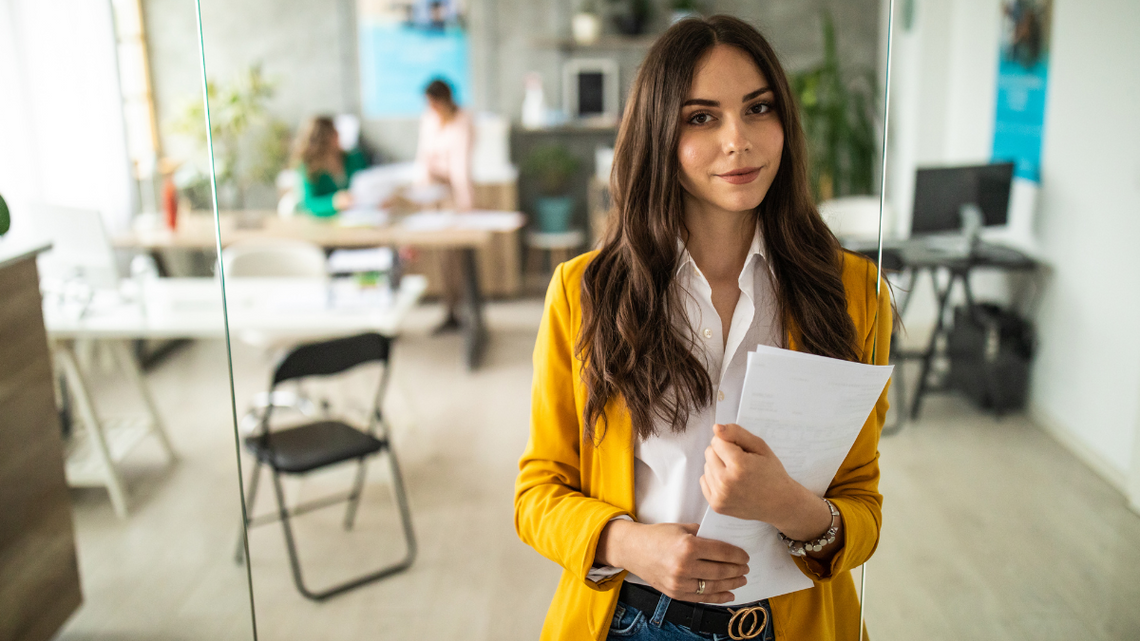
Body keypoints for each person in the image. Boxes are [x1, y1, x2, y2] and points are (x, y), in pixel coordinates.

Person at [514, 15, 891, 641]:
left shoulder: (852, 294)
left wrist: (789, 507)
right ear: (658, 134)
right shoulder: (585, 292)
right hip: (631, 618)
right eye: (701, 117)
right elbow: (537, 494)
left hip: (787, 624)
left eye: (758, 109)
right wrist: (629, 544)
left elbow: (863, 507)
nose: (738, 141)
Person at [413, 78, 475, 333]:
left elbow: (461, 167)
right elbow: (423, 157)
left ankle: (459, 310)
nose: (433, 108)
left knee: (455, 257)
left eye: (436, 103)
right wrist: (420, 194)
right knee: (440, 256)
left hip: (454, 193)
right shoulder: (428, 119)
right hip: (432, 193)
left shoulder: (463, 122)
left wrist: (466, 205)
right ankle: (448, 310)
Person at [293, 115, 369, 217]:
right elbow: (308, 204)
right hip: (326, 225)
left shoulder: (353, 158)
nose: (338, 134)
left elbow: (368, 183)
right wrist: (334, 202)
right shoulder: (309, 168)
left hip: (358, 217)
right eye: (333, 132)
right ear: (321, 139)